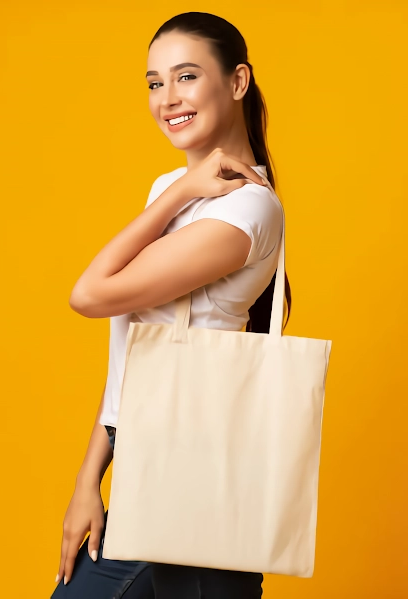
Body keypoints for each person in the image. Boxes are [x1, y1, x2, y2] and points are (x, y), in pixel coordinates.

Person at [51, 11, 292, 599]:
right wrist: (91, 477)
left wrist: (185, 189)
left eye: (185, 77)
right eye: (155, 83)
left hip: (195, 476)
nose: (167, 98)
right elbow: (138, 351)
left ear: (237, 83)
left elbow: (89, 295)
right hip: (149, 470)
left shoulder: (249, 209)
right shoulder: (168, 192)